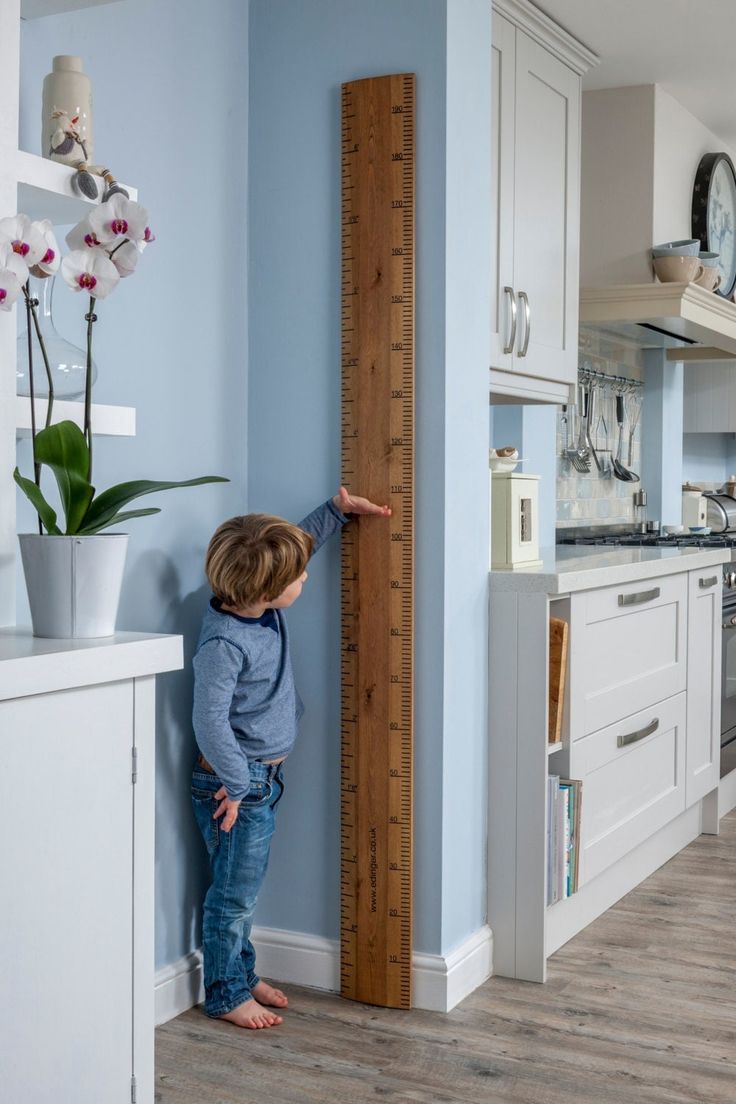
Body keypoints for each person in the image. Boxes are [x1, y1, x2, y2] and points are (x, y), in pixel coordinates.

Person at [191, 486, 391, 1029]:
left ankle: (241, 969)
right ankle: (226, 992)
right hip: (238, 787)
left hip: (262, 779)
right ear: (269, 589)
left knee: (245, 890)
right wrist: (236, 785)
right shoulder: (224, 645)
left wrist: (335, 513)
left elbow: (294, 549)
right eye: (297, 579)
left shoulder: (256, 605)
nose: (305, 579)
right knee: (232, 897)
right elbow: (208, 722)